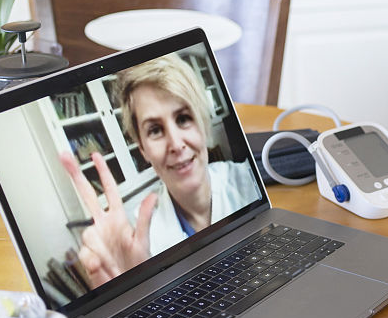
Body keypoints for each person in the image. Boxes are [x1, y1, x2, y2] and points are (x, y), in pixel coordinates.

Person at [60, 54, 257, 288]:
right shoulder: (136, 238)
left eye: (183, 118)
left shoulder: (249, 181)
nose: (175, 144)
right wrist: (130, 289)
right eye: (154, 129)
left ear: (203, 123)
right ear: (142, 148)